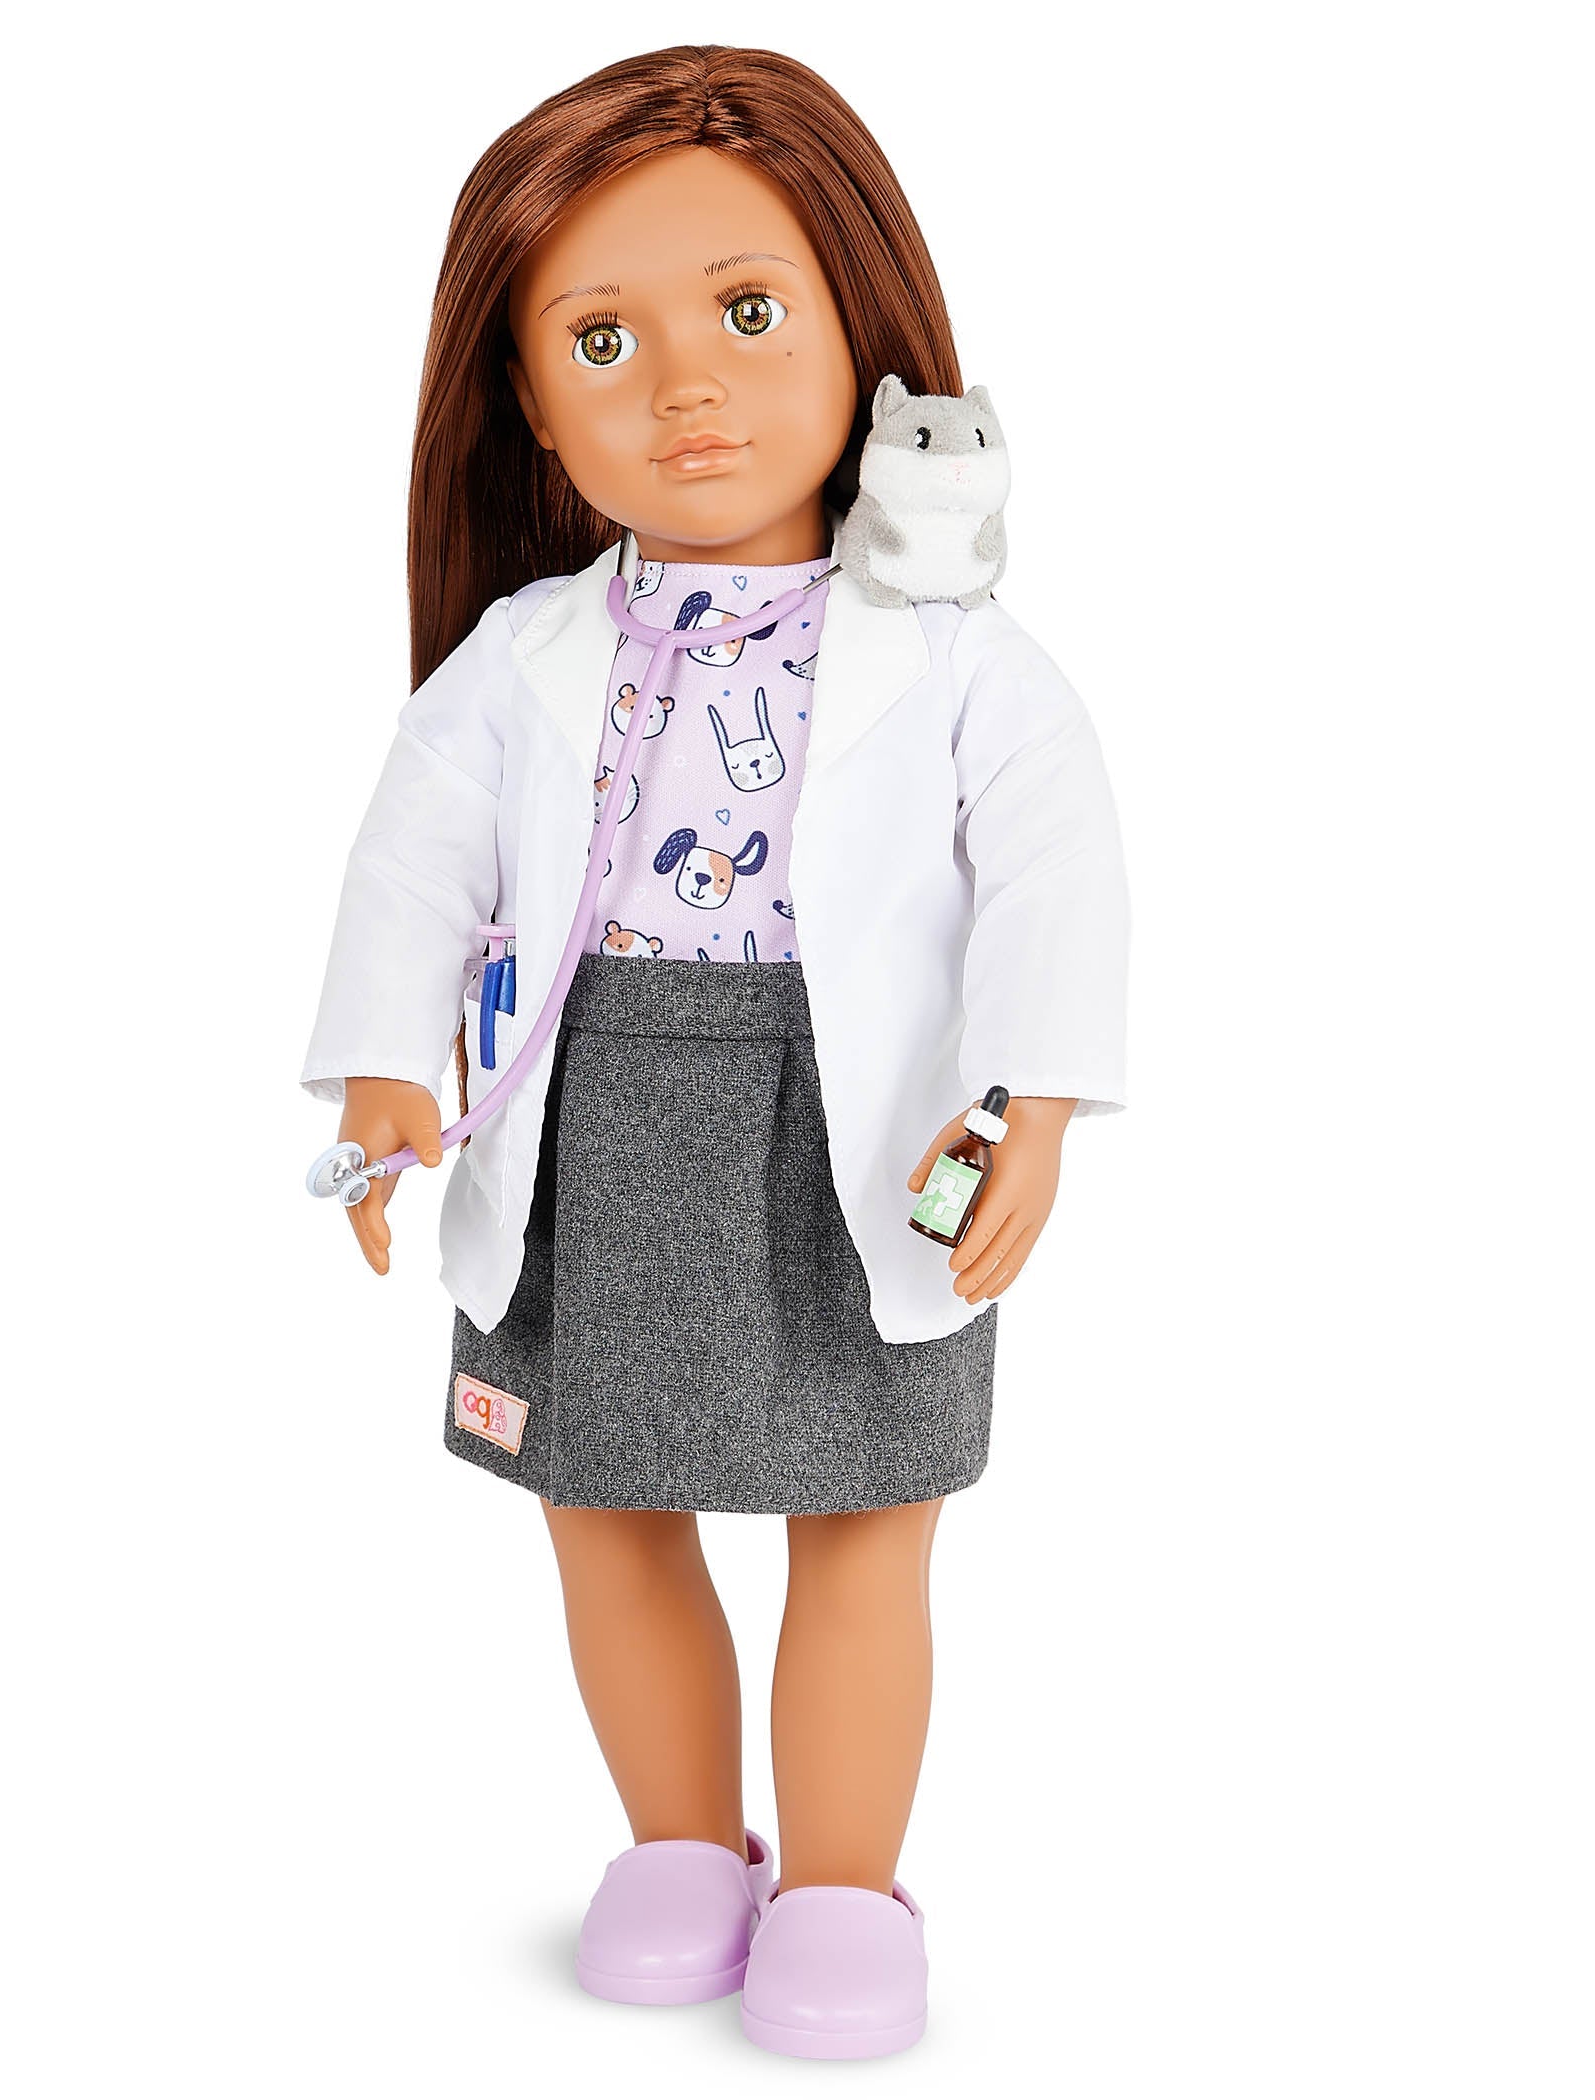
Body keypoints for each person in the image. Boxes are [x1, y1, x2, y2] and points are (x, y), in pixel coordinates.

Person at [300, 45, 1128, 2060]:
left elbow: (1055, 872)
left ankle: (840, 1883)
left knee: (865, 1511)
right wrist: (390, 1076)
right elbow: (413, 865)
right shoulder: (520, 658)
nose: (688, 388)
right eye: (604, 340)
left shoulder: (960, 657)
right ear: (527, 400)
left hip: (853, 1129)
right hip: (592, 1121)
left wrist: (1031, 1098)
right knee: (603, 1503)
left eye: (749, 312)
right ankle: (681, 1846)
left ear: (865, 328)